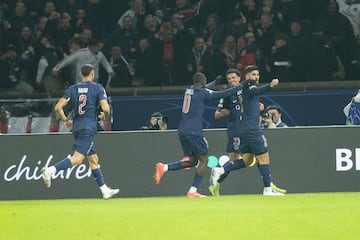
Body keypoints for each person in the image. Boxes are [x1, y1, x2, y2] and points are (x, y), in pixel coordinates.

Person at [154, 72, 243, 198]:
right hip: (194, 131)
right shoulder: (202, 92)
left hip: (183, 130)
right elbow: (220, 94)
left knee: (192, 161)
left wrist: (214, 83)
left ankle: (164, 167)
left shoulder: (189, 90)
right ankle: (193, 191)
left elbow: (203, 90)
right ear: (202, 83)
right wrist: (238, 87)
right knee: (204, 160)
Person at [41, 64, 119, 200]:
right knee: (77, 159)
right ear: (93, 74)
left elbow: (58, 107)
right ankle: (50, 170)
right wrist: (104, 118)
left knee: (94, 159)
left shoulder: (73, 89)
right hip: (88, 128)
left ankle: (105, 190)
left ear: (80, 74)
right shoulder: (98, 88)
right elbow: (106, 109)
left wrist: (65, 120)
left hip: (76, 128)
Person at [209, 65, 286, 196]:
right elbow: (256, 91)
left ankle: (222, 170)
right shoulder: (249, 86)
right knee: (264, 157)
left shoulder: (240, 90)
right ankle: (267, 189)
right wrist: (270, 85)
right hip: (251, 129)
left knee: (247, 161)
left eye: (257, 74)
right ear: (247, 77)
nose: (256, 77)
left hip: (243, 129)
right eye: (253, 75)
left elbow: (251, 99)